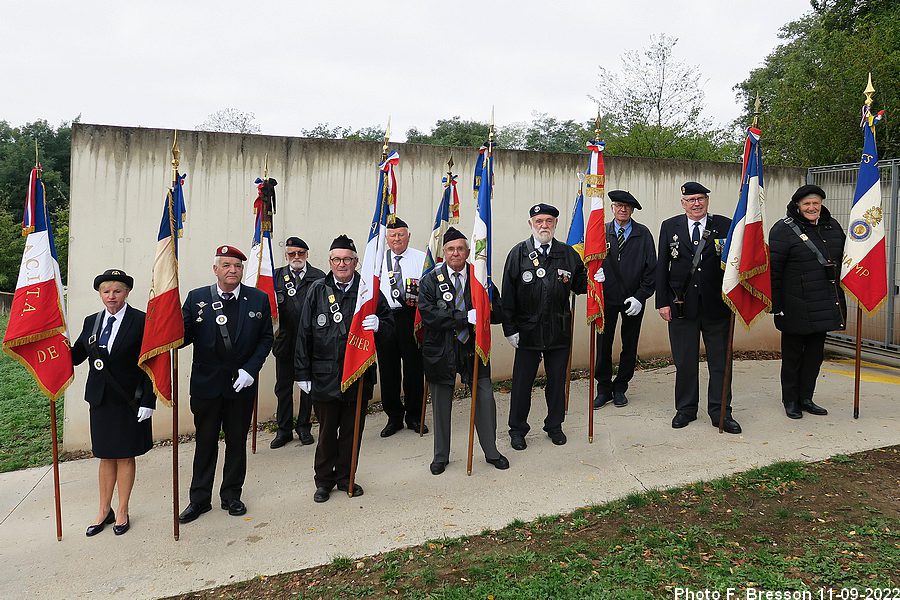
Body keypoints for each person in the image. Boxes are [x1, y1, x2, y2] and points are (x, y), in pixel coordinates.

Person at [178, 245, 274, 523]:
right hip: (206, 386)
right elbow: (183, 337)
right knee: (205, 443)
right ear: (216, 269)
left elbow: (266, 338)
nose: (233, 270)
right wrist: (165, 325)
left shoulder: (257, 299)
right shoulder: (197, 298)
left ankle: (231, 495)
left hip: (240, 385)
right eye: (227, 265)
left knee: (236, 442)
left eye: (237, 266)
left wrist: (251, 370)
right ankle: (199, 500)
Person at [295, 235, 394, 503]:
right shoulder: (317, 290)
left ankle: (346, 477)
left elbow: (391, 328)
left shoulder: (369, 291)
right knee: (327, 432)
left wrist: (380, 326)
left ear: (356, 261)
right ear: (330, 262)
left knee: (352, 432)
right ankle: (323, 481)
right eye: (337, 259)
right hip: (324, 375)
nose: (342, 264)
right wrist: (302, 373)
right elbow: (304, 333)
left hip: (359, 375)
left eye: (347, 259)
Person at [72, 269, 156, 537]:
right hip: (101, 400)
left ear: (127, 292)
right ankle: (103, 510)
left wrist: (149, 400)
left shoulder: (141, 321)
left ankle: (122, 510)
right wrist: (53, 342)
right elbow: (76, 356)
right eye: (106, 291)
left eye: (117, 291)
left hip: (130, 400)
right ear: (100, 294)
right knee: (106, 455)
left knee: (125, 455)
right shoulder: (92, 322)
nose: (111, 296)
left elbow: (152, 363)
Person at [418, 227, 509, 475]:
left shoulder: (480, 278)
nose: (455, 253)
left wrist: (487, 309)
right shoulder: (430, 280)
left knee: (485, 400)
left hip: (474, 349)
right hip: (441, 351)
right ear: (444, 252)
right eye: (450, 249)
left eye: (460, 249)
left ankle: (491, 451)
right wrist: (463, 317)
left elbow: (499, 312)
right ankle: (440, 456)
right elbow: (429, 314)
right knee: (441, 406)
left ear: (468, 252)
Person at [655, 182, 741, 434]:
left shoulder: (725, 225)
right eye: (691, 199)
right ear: (683, 203)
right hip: (681, 306)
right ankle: (685, 409)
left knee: (721, 363)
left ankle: (721, 411)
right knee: (684, 361)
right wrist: (662, 302)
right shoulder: (669, 226)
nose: (696, 203)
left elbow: (736, 262)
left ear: (707, 201)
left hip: (718, 306)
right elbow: (662, 266)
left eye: (700, 198)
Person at [502, 203, 587, 450]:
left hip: (559, 329)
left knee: (557, 382)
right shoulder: (518, 253)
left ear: (555, 224)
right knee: (522, 384)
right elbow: (508, 296)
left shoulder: (567, 253)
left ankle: (554, 425)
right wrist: (510, 329)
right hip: (527, 331)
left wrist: (594, 277)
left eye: (549, 221)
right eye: (539, 221)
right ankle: (517, 430)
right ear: (531, 224)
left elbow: (579, 285)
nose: (544, 225)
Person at [769, 184, 846, 419]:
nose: (812, 208)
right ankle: (790, 400)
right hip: (795, 305)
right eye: (807, 204)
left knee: (814, 357)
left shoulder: (833, 227)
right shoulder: (782, 230)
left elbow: (846, 261)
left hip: (824, 302)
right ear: (797, 206)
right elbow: (774, 272)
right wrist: (777, 305)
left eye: (816, 203)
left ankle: (806, 398)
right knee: (793, 357)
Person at [593, 190, 657, 409]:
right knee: (603, 344)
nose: (622, 209)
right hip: (606, 298)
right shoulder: (601, 232)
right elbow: (589, 261)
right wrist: (594, 276)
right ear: (612, 208)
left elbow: (652, 269)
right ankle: (603, 388)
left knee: (629, 344)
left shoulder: (643, 234)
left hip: (633, 299)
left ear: (632, 210)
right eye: (619, 205)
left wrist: (641, 296)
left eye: (627, 207)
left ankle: (620, 387)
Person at [270, 236, 326, 449]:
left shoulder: (319, 277)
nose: (296, 257)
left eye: (300, 253)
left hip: (310, 343)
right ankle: (283, 429)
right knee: (283, 388)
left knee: (307, 387)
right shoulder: (275, 277)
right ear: (286, 256)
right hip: (284, 342)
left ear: (306, 254)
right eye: (292, 253)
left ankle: (304, 427)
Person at [376, 217, 428, 437]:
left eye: (400, 234)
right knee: (388, 370)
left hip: (411, 318)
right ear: (386, 238)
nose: (396, 239)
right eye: (392, 235)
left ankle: (415, 416)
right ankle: (394, 417)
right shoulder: (378, 260)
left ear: (408, 236)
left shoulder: (421, 258)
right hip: (386, 318)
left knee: (414, 369)